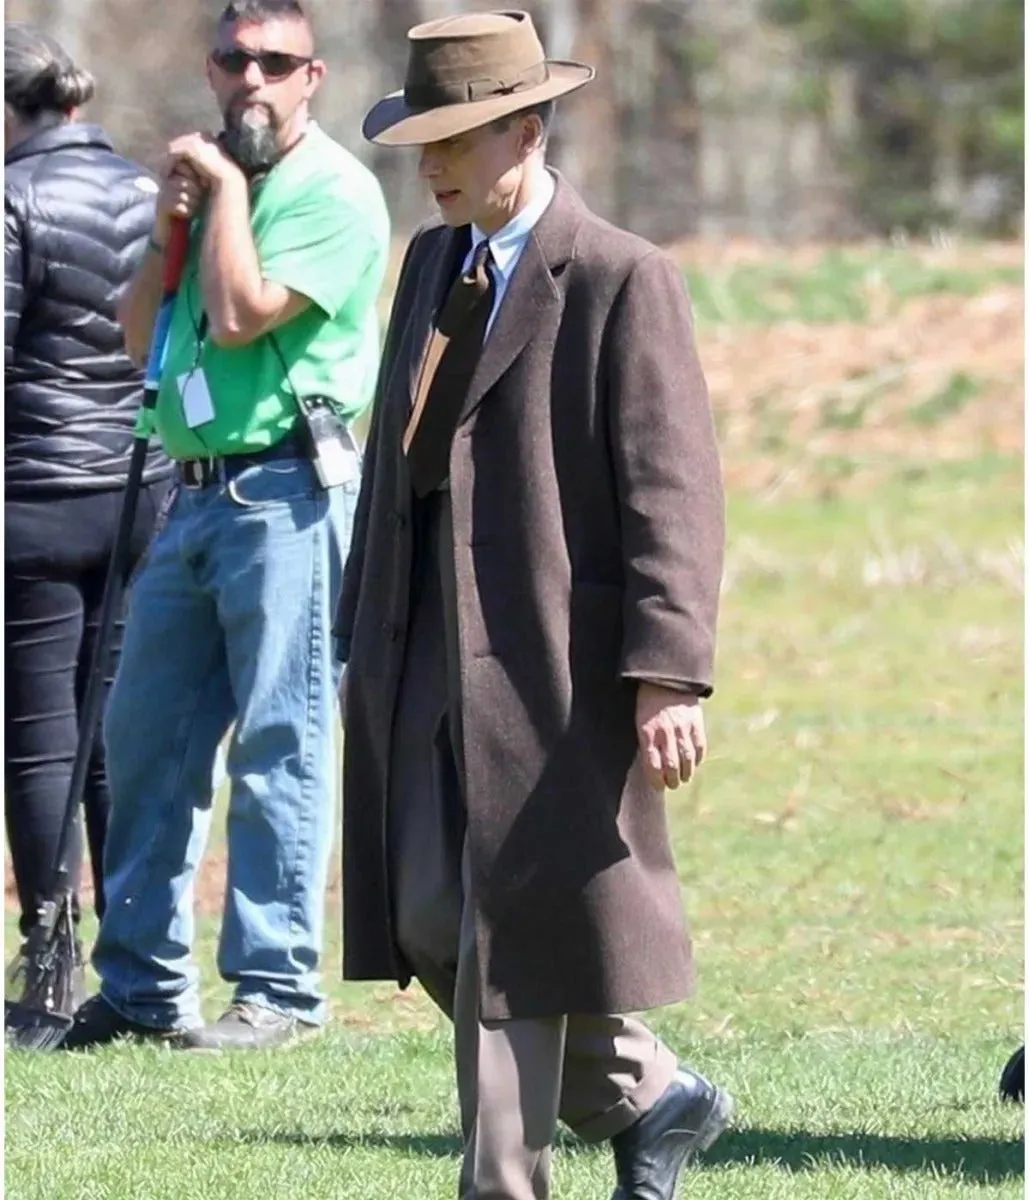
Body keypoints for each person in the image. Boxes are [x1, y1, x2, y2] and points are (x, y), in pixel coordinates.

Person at [336, 11, 731, 1200]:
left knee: (508, 929)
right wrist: (361, 625)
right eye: (423, 140)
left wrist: (669, 670)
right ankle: (649, 1093)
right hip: (416, 651)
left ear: (526, 127)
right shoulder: (429, 262)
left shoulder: (621, 275)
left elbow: (675, 489)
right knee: (420, 917)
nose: (433, 162)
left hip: (551, 665)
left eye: (455, 139)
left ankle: (502, 1183)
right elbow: (388, 467)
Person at [62, 0, 390, 1051]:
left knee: (280, 743)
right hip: (194, 488)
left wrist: (231, 198)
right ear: (212, 69)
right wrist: (173, 221)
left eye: (275, 63)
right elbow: (132, 334)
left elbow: (245, 311)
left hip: (290, 493)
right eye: (233, 59)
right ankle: (142, 988)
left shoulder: (333, 192)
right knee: (144, 736)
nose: (251, 79)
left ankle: (277, 991)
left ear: (313, 77)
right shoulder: (208, 188)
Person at [4, 24, 173, 996]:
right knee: (116, 727)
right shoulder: (148, 191)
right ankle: (135, 945)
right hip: (137, 494)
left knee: (38, 735)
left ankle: (51, 952)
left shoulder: (12, 196)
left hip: (29, 497)